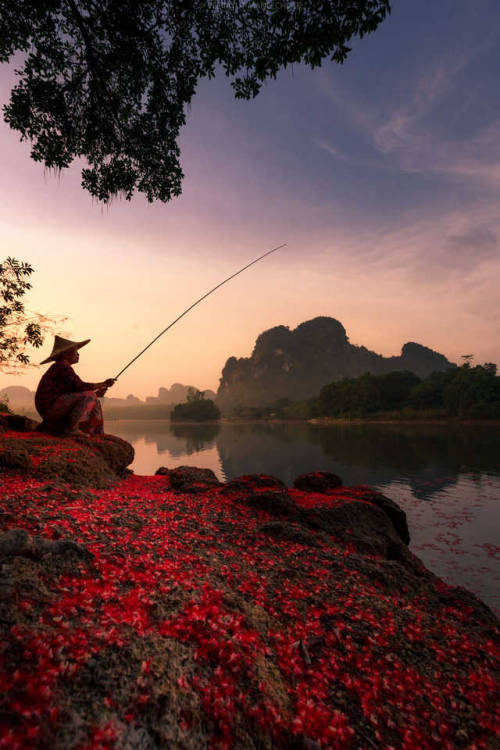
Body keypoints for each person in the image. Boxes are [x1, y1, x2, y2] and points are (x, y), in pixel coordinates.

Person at [35, 335, 116, 436]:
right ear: (65, 354)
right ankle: (72, 429)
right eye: (75, 351)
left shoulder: (62, 367)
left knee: (93, 397)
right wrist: (103, 384)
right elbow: (80, 386)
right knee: (90, 395)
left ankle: (94, 432)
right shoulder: (62, 366)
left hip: (51, 406)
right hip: (49, 407)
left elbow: (73, 390)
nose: (78, 354)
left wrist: (96, 393)